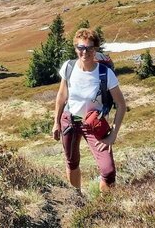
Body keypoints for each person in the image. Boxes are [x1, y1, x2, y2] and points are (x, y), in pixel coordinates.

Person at [52, 28, 127, 193]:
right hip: (70, 121)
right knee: (72, 162)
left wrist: (113, 135)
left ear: (95, 49)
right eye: (81, 48)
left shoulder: (105, 74)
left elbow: (121, 105)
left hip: (94, 124)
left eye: (89, 48)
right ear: (75, 48)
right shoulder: (69, 67)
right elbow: (62, 96)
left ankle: (103, 209)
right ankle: (76, 198)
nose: (84, 52)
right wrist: (56, 122)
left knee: (108, 171)